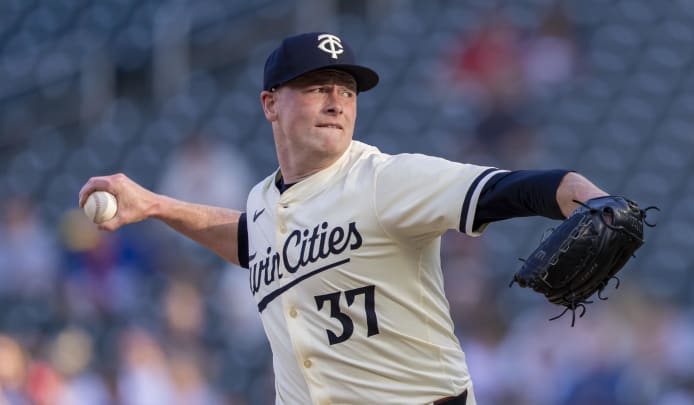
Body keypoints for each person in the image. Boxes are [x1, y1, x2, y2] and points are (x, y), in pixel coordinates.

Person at [80, 32, 609, 405]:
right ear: (270, 103)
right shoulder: (265, 201)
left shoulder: (384, 180)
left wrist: (586, 197)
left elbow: (506, 188)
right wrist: (155, 205)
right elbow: (250, 240)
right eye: (317, 87)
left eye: (347, 90)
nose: (337, 101)